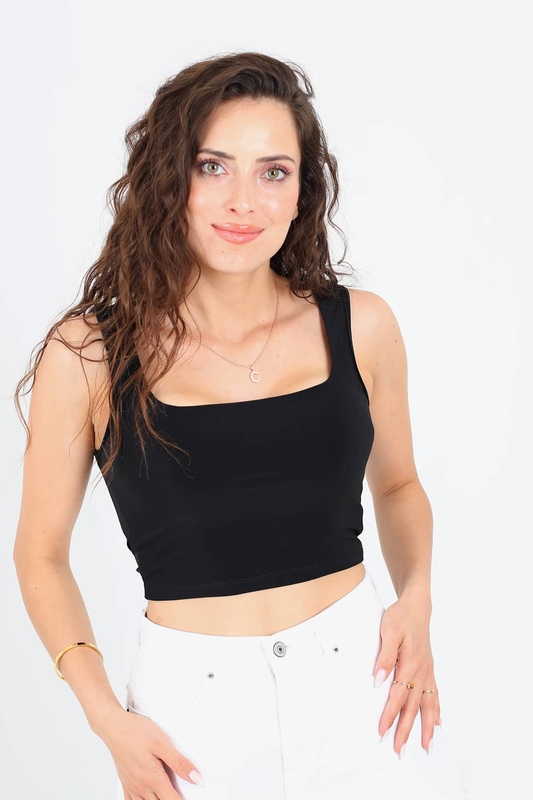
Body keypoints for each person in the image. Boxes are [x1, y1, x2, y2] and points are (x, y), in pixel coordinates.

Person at [12, 51, 468, 799]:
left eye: (273, 172)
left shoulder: (360, 326)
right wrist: (105, 718)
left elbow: (398, 485)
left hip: (368, 690)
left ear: (302, 192)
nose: (243, 202)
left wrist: (415, 600)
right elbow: (40, 556)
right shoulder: (90, 353)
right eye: (213, 166)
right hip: (193, 721)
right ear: (168, 178)